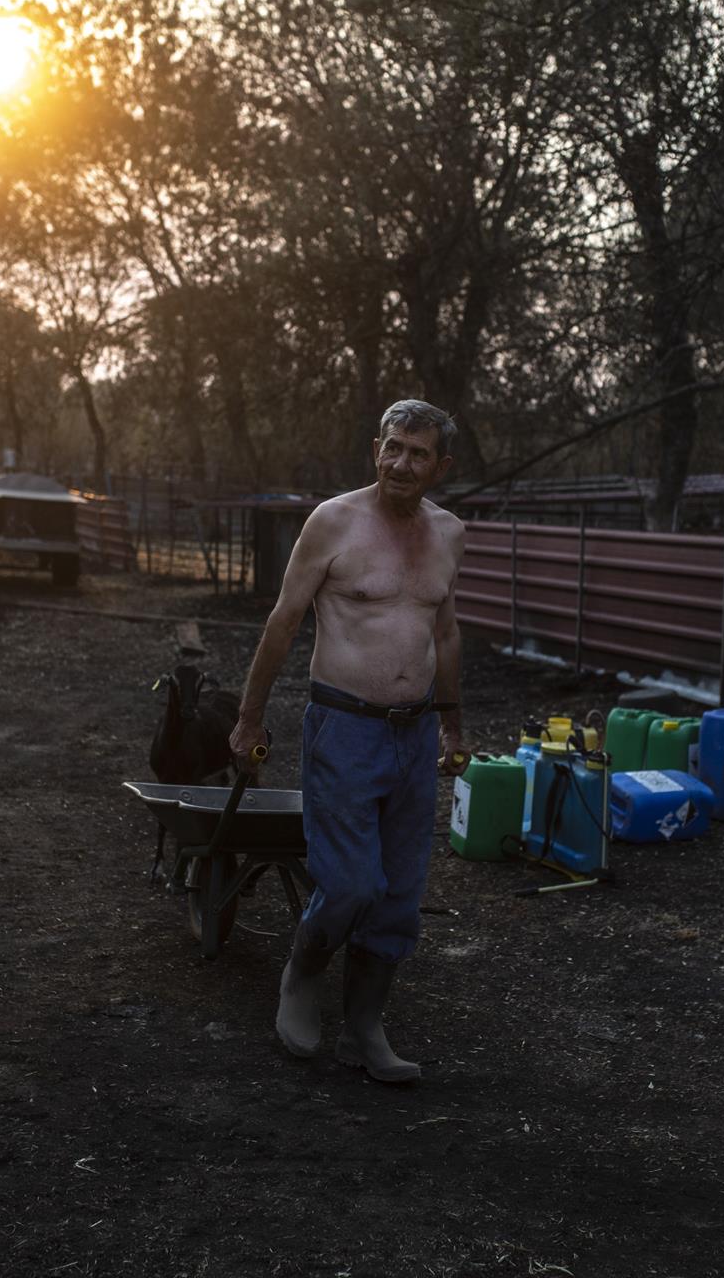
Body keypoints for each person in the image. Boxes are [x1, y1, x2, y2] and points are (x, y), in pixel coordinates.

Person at [229, 400, 469, 1083]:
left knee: (398, 896)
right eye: (393, 447)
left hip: (414, 736)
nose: (401, 463)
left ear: (440, 466)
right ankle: (301, 976)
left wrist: (451, 723)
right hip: (344, 729)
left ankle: (365, 1028)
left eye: (418, 453)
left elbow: (445, 633)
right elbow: (283, 622)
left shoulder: (450, 534)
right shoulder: (333, 521)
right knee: (352, 884)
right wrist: (249, 717)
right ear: (375, 448)